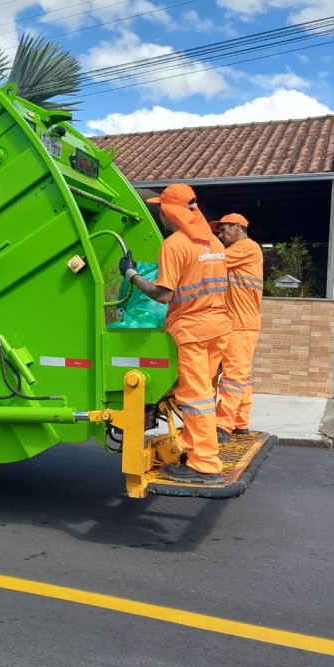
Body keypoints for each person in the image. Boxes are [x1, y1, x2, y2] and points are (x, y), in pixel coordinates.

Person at [120, 183, 232, 485]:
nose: (160, 216)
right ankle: (195, 454)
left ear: (170, 213)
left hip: (193, 331)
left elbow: (163, 295)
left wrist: (131, 275)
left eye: (161, 210)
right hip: (218, 327)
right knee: (203, 396)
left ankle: (205, 466)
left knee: (195, 398)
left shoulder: (174, 245)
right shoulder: (214, 244)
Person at [209, 213, 263, 441]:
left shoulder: (246, 247)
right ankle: (240, 423)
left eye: (224, 230)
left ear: (239, 227)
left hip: (240, 324)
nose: (220, 235)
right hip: (241, 323)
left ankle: (222, 425)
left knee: (233, 377)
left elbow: (212, 261)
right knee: (242, 375)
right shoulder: (244, 252)